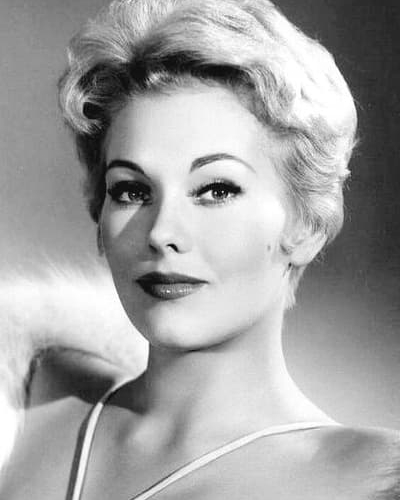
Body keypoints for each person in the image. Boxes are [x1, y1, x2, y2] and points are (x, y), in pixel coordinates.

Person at [1, 0, 399, 498]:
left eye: (216, 190)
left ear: (306, 225)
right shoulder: (22, 401)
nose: (161, 231)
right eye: (132, 191)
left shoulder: (369, 479)